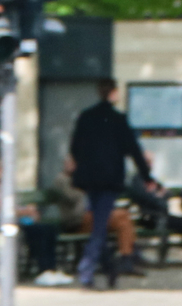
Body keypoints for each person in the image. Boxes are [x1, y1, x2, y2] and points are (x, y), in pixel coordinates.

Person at [65, 78, 155, 289]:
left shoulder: (86, 117)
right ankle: (86, 269)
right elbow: (134, 150)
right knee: (99, 226)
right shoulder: (118, 119)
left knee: (99, 222)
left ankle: (109, 266)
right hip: (109, 180)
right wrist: (148, 178)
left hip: (89, 180)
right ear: (114, 93)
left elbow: (75, 147)